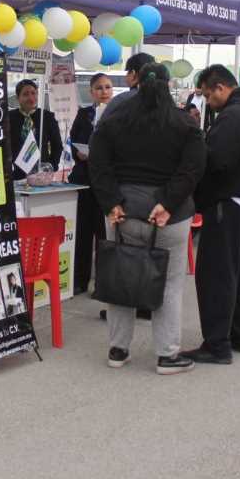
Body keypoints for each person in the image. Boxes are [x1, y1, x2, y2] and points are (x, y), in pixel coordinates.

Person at [88, 62, 206, 375]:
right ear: (168, 85)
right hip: (169, 217)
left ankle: (118, 350)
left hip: (122, 213)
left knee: (120, 278)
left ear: (136, 81)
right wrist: (167, 203)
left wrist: (111, 201)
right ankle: (167, 355)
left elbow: (98, 162)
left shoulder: (115, 118)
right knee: (169, 285)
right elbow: (193, 168)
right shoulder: (185, 123)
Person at [183, 64, 240, 365]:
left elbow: (216, 161)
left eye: (208, 95)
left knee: (217, 274)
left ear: (220, 87)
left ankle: (217, 344)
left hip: (228, 203)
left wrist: (198, 194)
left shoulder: (233, 116)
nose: (208, 101)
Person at [68, 73, 115, 294]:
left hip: (106, 183)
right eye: (99, 88)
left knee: (104, 236)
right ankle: (80, 280)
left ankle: (103, 284)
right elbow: (72, 140)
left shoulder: (118, 113)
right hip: (84, 180)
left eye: (107, 87)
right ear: (91, 92)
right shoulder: (84, 113)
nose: (104, 91)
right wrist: (79, 152)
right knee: (83, 233)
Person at [6, 79, 62, 180]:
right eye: (25, 94)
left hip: (41, 173)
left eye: (33, 93)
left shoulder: (47, 117)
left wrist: (51, 166)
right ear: (18, 97)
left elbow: (57, 145)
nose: (31, 97)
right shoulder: (9, 118)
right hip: (17, 173)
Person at [97, 51, 155, 122]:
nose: (126, 76)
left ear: (133, 73)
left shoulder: (121, 100)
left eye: (127, 72)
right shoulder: (164, 100)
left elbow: (101, 130)